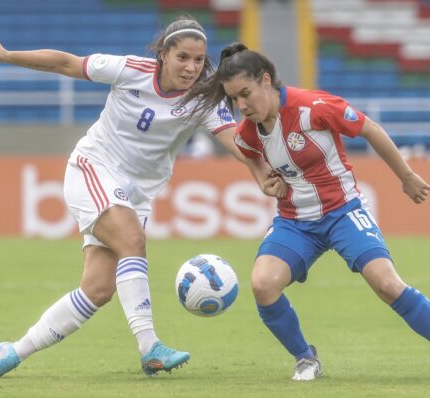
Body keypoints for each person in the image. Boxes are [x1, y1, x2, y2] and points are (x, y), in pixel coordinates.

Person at [0, 18, 285, 378]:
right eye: (183, 57)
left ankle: (12, 352)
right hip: (94, 168)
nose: (191, 67)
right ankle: (150, 346)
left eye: (199, 60)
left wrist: (261, 173)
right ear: (163, 54)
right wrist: (7, 55)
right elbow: (65, 62)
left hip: (136, 195)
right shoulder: (129, 69)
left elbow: (232, 137)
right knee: (132, 241)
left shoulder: (202, 97)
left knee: (97, 290)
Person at [184, 42, 430, 381]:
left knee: (387, 284)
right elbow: (249, 154)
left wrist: (406, 176)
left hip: (343, 211)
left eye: (246, 94)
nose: (241, 106)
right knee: (262, 284)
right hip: (294, 222)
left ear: (266, 80)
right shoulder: (248, 132)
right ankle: (305, 357)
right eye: (233, 100)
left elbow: (369, 129)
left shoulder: (313, 107)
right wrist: (262, 181)